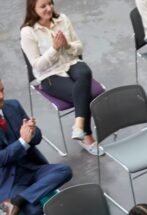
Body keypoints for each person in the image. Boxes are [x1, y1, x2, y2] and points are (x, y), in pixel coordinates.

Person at [0, 78, 71, 215]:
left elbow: (37, 139)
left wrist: (32, 130)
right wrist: (23, 141)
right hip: (7, 181)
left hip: (32, 168)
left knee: (64, 170)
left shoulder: (12, 106)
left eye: (2, 90)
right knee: (34, 209)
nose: (1, 96)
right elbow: (2, 159)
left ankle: (16, 202)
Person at [20, 0, 100, 154]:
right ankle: (87, 135)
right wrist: (54, 49)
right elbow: (37, 66)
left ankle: (78, 126)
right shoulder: (27, 32)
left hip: (71, 62)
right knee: (84, 94)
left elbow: (79, 47)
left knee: (85, 72)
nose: (49, 8)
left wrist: (68, 46)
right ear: (32, 8)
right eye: (43, 6)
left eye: (50, 3)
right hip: (49, 74)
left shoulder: (62, 19)